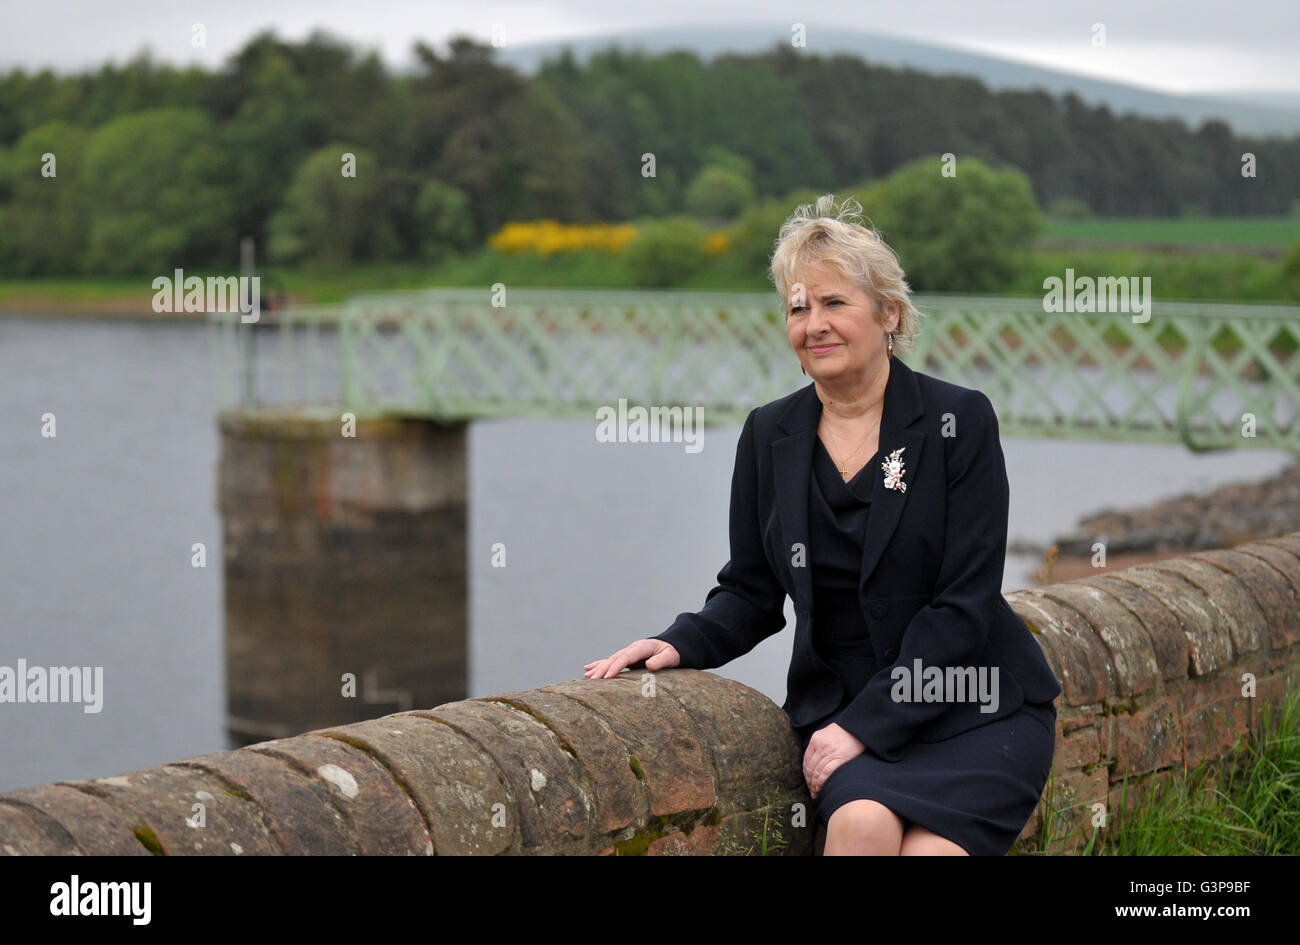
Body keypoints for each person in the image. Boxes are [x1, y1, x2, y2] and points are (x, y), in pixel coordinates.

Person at [583, 194, 1061, 855]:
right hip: (842, 708)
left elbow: (964, 604)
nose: (815, 324)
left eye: (835, 303)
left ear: (888, 313)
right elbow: (751, 590)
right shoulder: (768, 433)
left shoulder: (959, 422)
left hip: (973, 707)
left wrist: (867, 723)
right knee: (861, 823)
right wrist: (679, 642)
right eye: (799, 307)